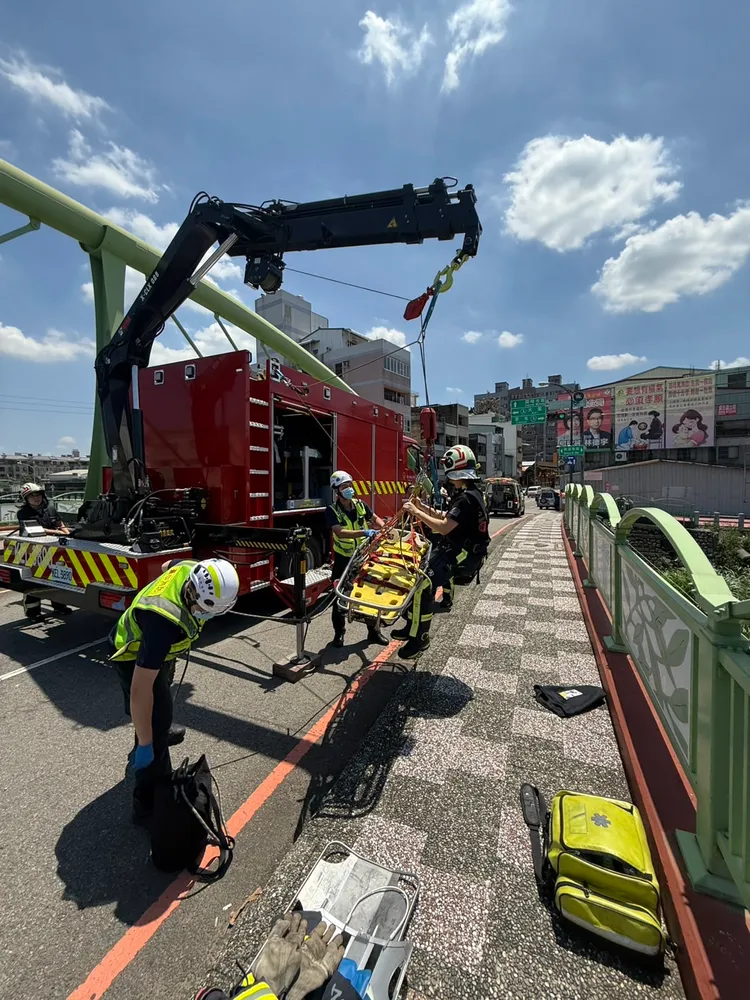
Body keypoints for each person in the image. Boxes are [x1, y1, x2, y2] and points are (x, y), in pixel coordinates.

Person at [110, 557, 240, 823]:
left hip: (158, 650)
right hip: (131, 653)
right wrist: (146, 744)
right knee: (155, 720)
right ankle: (146, 804)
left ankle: (153, 733)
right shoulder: (162, 624)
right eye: (203, 609)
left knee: (160, 705)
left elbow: (166, 565)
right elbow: (140, 689)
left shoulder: (192, 569)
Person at [393, 445, 488, 659]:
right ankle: (412, 628)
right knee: (419, 582)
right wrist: (421, 507)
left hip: (462, 554)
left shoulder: (466, 499)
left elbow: (444, 527)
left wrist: (416, 512)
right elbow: (447, 517)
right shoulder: (470, 494)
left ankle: (419, 639)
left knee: (422, 586)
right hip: (459, 550)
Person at [327, 471, 388, 647]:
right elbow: (339, 531)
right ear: (336, 491)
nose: (348, 489)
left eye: (349, 485)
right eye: (344, 487)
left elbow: (374, 517)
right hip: (343, 560)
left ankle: (373, 632)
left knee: (370, 594)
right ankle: (339, 633)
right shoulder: (331, 510)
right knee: (339, 597)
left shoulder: (360, 505)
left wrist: (383, 527)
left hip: (363, 557)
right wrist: (364, 532)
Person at [16, 482, 71, 619]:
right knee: (33, 582)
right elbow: (37, 530)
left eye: (38, 495)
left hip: (54, 548)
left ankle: (59, 605)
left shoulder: (50, 509)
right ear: (26, 499)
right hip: (33, 551)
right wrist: (57, 532)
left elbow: (60, 523)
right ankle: (33, 612)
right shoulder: (23, 513)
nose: (36, 498)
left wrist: (66, 533)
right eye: (32, 496)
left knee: (57, 578)